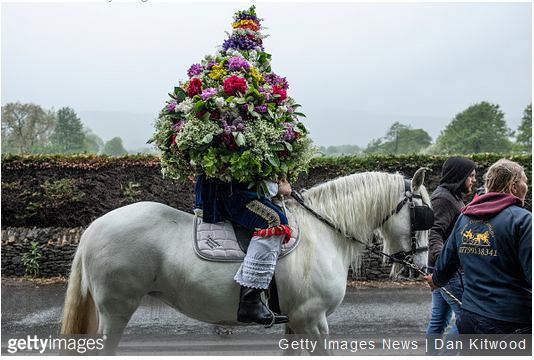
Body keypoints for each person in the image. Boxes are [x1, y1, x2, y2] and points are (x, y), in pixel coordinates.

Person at [424, 159, 532, 334]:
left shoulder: (465, 217)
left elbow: (445, 264)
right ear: (513, 187)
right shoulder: (524, 220)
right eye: (525, 182)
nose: (526, 187)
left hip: (471, 321)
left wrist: (436, 279)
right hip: (514, 323)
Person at [194, 174, 292, 325]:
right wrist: (273, 183)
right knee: (275, 221)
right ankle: (250, 302)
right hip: (232, 193)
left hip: (235, 187)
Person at [426, 156, 477, 338]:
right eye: (470, 176)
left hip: (444, 268)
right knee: (468, 318)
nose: (474, 180)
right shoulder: (443, 199)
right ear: (459, 176)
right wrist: (445, 263)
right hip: (449, 270)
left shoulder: (453, 197)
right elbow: (434, 234)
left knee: (439, 319)